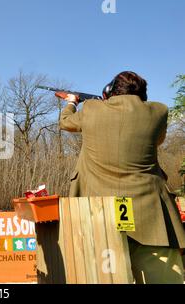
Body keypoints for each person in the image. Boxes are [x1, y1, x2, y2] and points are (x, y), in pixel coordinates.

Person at [59, 71, 185, 284]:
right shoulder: (158, 111)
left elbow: (66, 122)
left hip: (101, 215)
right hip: (152, 217)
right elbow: (157, 140)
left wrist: (72, 102)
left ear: (109, 91)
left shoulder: (90, 109)